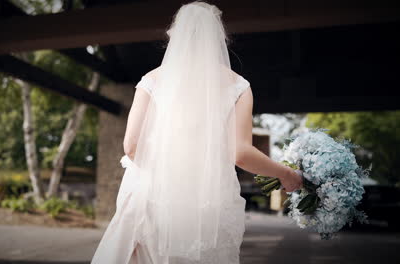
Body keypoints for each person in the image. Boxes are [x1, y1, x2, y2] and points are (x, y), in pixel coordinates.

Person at [91, 1, 303, 263]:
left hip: (149, 202)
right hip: (208, 206)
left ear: (176, 35)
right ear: (218, 39)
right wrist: (286, 173)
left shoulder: (151, 81)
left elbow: (131, 147)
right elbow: (240, 153)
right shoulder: (238, 86)